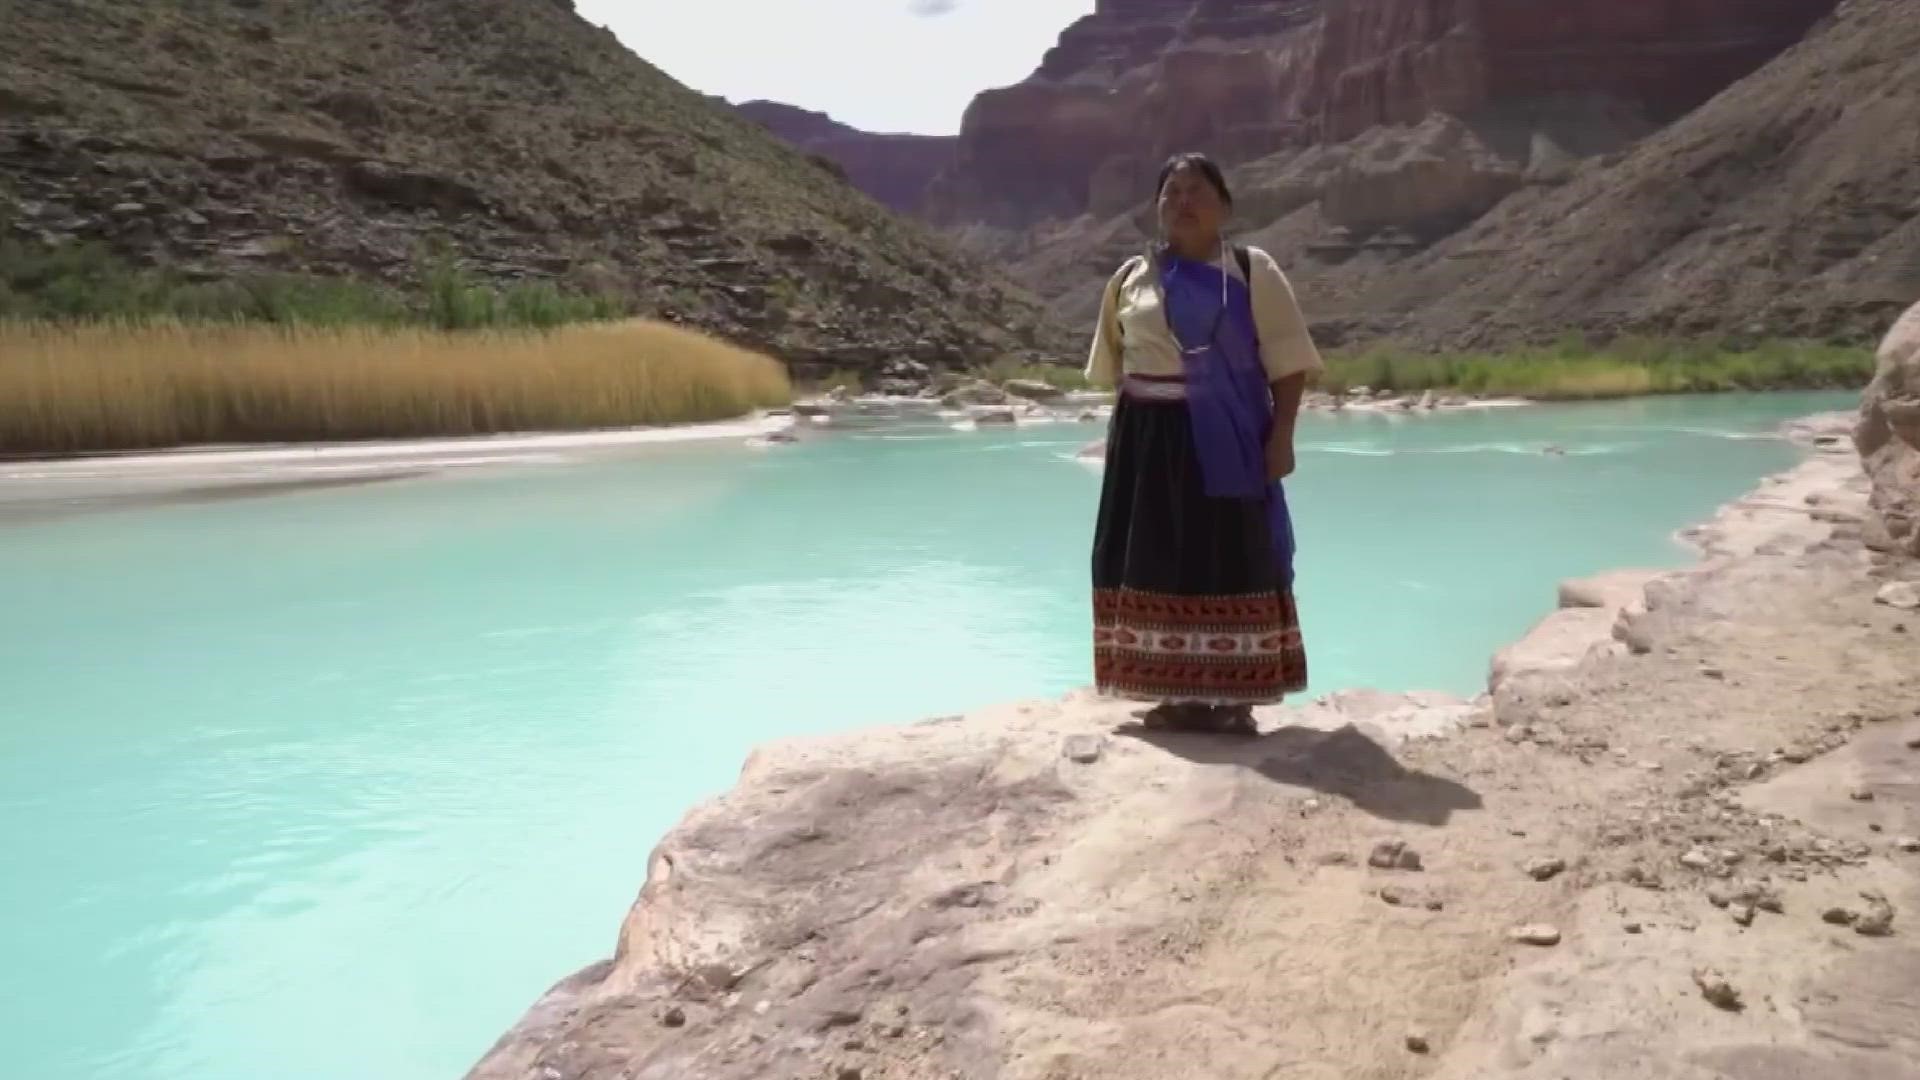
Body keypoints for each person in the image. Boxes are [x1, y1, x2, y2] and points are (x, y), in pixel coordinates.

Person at [1085, 152, 1324, 734]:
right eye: (1171, 193)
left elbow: (1287, 364)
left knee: (1228, 552)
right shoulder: (1130, 278)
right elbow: (1115, 368)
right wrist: (1129, 441)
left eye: (1196, 191)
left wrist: (1282, 437)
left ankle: (1231, 698)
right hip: (1147, 442)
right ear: (1157, 207)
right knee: (1153, 558)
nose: (1182, 202)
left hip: (1227, 435)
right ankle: (1169, 691)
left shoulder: (1249, 269)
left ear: (1224, 205)